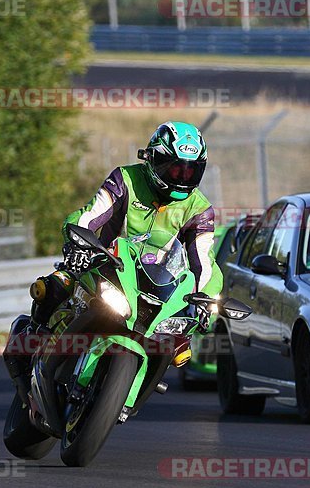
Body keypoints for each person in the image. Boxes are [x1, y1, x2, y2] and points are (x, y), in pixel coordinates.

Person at [11, 122, 223, 359]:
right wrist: (78, 244)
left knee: (179, 350)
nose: (182, 178)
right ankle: (30, 341)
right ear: (154, 159)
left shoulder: (200, 208)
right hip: (105, 264)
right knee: (54, 286)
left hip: (156, 286)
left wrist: (204, 300)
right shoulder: (126, 178)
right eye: (175, 170)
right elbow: (90, 214)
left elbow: (204, 262)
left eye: (190, 171)